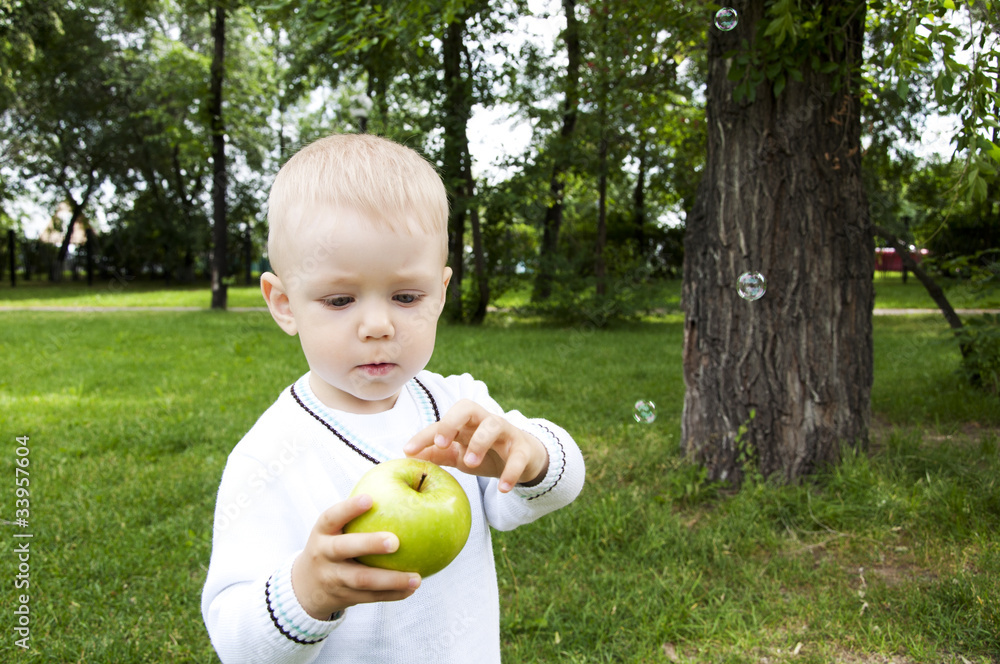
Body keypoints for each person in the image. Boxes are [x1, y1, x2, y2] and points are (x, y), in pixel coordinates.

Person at [201, 133, 586, 664]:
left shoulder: (455, 406)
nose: (379, 325)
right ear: (285, 304)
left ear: (442, 292)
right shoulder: (273, 453)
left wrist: (533, 456)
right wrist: (307, 593)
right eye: (340, 300)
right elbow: (235, 639)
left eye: (407, 297)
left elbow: (559, 488)